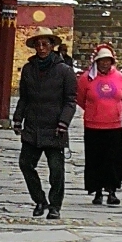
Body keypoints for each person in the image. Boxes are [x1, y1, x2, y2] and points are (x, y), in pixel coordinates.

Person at [13, 26, 77, 220]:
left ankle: (55, 205)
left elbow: (70, 101)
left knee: (56, 170)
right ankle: (39, 200)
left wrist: (63, 122)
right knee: (25, 164)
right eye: (38, 44)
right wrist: (18, 118)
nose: (41, 48)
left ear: (52, 46)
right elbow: (24, 97)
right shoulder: (28, 69)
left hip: (55, 127)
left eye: (45, 44)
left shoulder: (64, 71)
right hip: (33, 125)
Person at [76, 45, 122, 206]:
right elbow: (80, 98)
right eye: (102, 61)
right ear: (96, 62)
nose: (105, 64)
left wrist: (116, 111)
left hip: (114, 125)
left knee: (114, 160)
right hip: (93, 125)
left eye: (108, 61)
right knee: (95, 159)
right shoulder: (86, 78)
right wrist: (94, 110)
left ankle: (112, 190)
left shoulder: (119, 77)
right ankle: (97, 191)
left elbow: (121, 99)